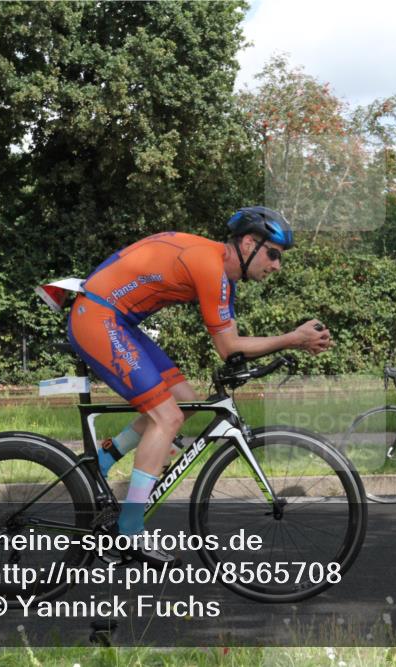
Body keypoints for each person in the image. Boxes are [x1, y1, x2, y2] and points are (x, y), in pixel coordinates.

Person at [67, 207, 332, 563]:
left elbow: (231, 348)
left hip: (116, 319)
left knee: (186, 403)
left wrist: (285, 343)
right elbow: (229, 347)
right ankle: (129, 532)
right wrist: (293, 338)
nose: (276, 265)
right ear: (249, 243)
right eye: (273, 254)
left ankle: (100, 461)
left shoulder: (223, 276)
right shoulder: (211, 267)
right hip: (99, 317)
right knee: (167, 418)